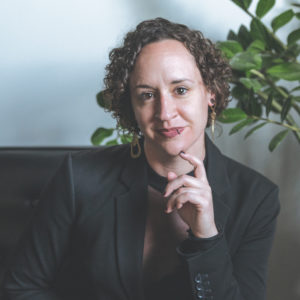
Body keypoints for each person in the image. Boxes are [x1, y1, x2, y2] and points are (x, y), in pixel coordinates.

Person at [3, 18, 280, 300]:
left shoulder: (257, 197)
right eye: (147, 95)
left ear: (211, 92)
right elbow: (21, 289)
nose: (165, 112)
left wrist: (206, 237)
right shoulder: (79, 178)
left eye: (180, 90)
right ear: (131, 107)